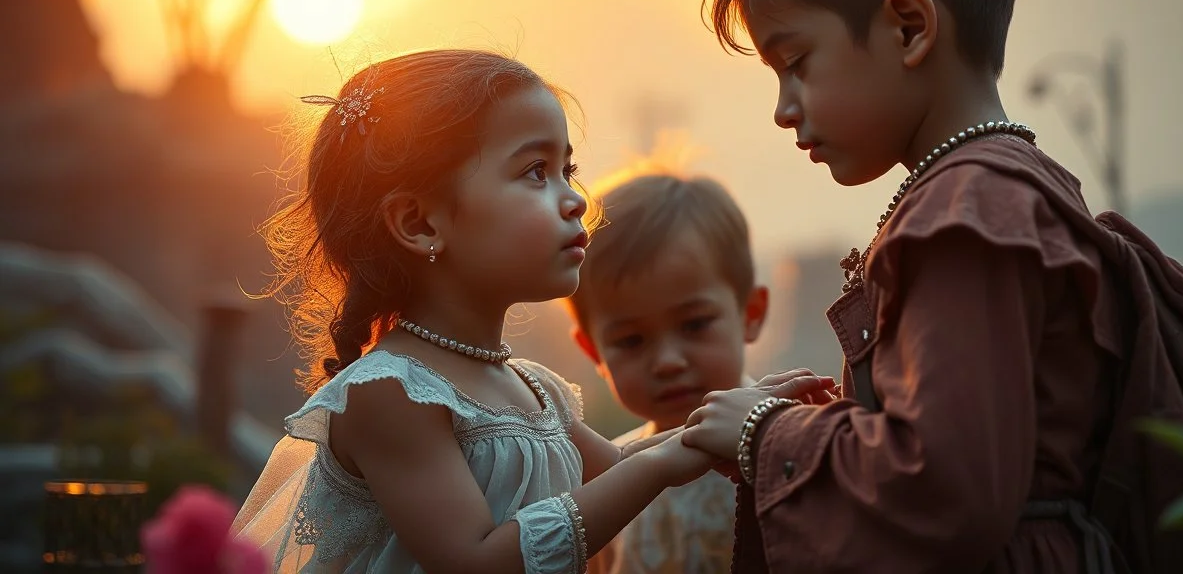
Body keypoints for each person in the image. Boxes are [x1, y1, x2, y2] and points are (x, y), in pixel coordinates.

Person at [679, 0, 1183, 573]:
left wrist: (768, 433)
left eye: (797, 62)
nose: (783, 109)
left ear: (909, 28)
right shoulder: (1013, 188)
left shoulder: (964, 218)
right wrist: (836, 419)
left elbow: (944, 485)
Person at [229, 49, 831, 573]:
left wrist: (734, 416)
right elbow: (475, 561)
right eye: (536, 171)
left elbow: (614, 469)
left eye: (568, 170)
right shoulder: (391, 393)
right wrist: (668, 463)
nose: (575, 200)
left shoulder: (532, 385)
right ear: (419, 222)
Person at [565, 162, 770, 574]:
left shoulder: (788, 455)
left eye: (694, 324)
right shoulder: (603, 485)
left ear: (750, 313)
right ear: (593, 351)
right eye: (631, 340)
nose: (668, 362)